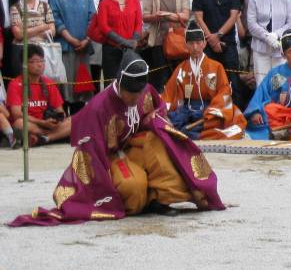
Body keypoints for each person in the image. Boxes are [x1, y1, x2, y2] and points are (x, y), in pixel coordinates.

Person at [11, 51, 226, 225]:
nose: (134, 98)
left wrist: (155, 117)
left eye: (138, 93)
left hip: (137, 146)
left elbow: (159, 109)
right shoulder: (99, 107)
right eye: (130, 94)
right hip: (110, 157)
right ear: (119, 83)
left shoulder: (145, 91)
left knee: (158, 142)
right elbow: (91, 151)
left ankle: (160, 199)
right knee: (133, 188)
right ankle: (144, 200)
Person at [163, 22, 247, 139]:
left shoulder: (216, 67)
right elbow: (170, 93)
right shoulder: (181, 68)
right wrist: (163, 108)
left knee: (218, 120)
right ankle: (193, 132)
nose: (195, 47)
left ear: (204, 44)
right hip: (187, 109)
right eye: (191, 43)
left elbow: (224, 91)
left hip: (209, 109)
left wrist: (212, 110)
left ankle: (193, 132)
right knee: (170, 121)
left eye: (198, 43)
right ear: (186, 45)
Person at [48, 0, 96, 110]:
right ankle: (64, 123)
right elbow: (55, 19)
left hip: (84, 47)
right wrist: (70, 38)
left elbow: (93, 19)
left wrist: (87, 39)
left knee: (82, 87)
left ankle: (79, 122)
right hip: (65, 46)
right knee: (66, 86)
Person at [192, 0, 243, 100]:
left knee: (233, 80)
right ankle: (213, 113)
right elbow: (199, 18)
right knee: (210, 81)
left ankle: (236, 113)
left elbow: (233, 16)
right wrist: (211, 38)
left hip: (228, 43)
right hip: (208, 45)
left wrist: (218, 35)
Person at [141, 0, 190, 91]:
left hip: (178, 38)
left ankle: (180, 107)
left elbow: (185, 16)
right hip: (158, 39)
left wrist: (167, 15)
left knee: (181, 76)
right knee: (160, 78)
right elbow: (145, 17)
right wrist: (157, 16)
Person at [6, 44, 72, 145]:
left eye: (42, 60)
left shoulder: (48, 82)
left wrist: (57, 120)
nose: (40, 64)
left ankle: (45, 138)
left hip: (47, 124)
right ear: (24, 64)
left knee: (73, 120)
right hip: (32, 124)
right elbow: (17, 114)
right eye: (34, 61)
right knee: (19, 123)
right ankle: (55, 136)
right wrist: (41, 123)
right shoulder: (15, 84)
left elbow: (60, 111)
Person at [246, 0, 291, 85]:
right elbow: (252, 24)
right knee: (262, 82)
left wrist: (276, 35)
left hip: (280, 48)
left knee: (281, 82)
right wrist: (267, 37)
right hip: (260, 48)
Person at [92, 0, 143, 83]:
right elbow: (103, 27)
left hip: (131, 48)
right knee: (112, 83)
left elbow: (138, 22)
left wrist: (134, 41)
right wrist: (124, 42)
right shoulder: (105, 3)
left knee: (131, 81)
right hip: (112, 49)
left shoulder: (134, 1)